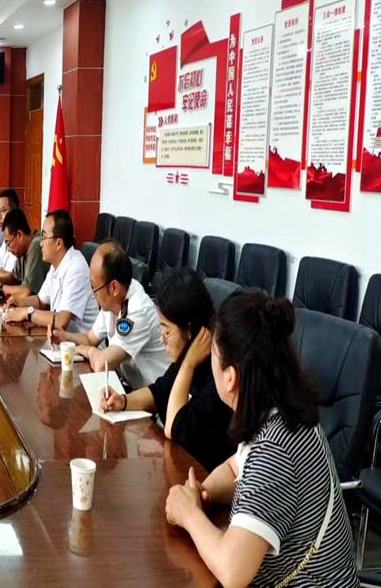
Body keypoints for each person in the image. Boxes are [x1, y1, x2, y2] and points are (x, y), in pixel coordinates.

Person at [164, 290, 358, 587]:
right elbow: (235, 468)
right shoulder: (277, 410)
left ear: (230, 377)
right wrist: (205, 492)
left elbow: (232, 572)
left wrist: (190, 516)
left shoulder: (276, 450)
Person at [98, 268, 232, 471]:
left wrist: (187, 366)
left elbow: (175, 428)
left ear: (188, 330)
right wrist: (123, 401)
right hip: (179, 464)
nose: (162, 340)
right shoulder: (188, 354)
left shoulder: (216, 373)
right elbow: (159, 392)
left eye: (166, 331)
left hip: (202, 474)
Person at [53, 240, 170, 387]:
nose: (92, 293)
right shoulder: (114, 299)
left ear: (114, 288)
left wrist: (87, 351)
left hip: (153, 395)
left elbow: (103, 364)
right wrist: (64, 336)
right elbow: (90, 338)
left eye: (94, 286)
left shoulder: (138, 312)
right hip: (127, 386)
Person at [3, 209, 98, 333]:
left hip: (79, 342)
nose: (41, 244)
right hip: (60, 339)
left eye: (44, 238)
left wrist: (27, 313)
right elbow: (40, 301)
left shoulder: (76, 268)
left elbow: (61, 321)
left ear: (58, 243)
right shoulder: (56, 265)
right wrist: (18, 302)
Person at [0, 209, 47, 299]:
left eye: (8, 243)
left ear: (19, 235)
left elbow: (26, 292)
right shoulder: (22, 250)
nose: (8, 249)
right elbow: (13, 278)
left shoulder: (36, 246)